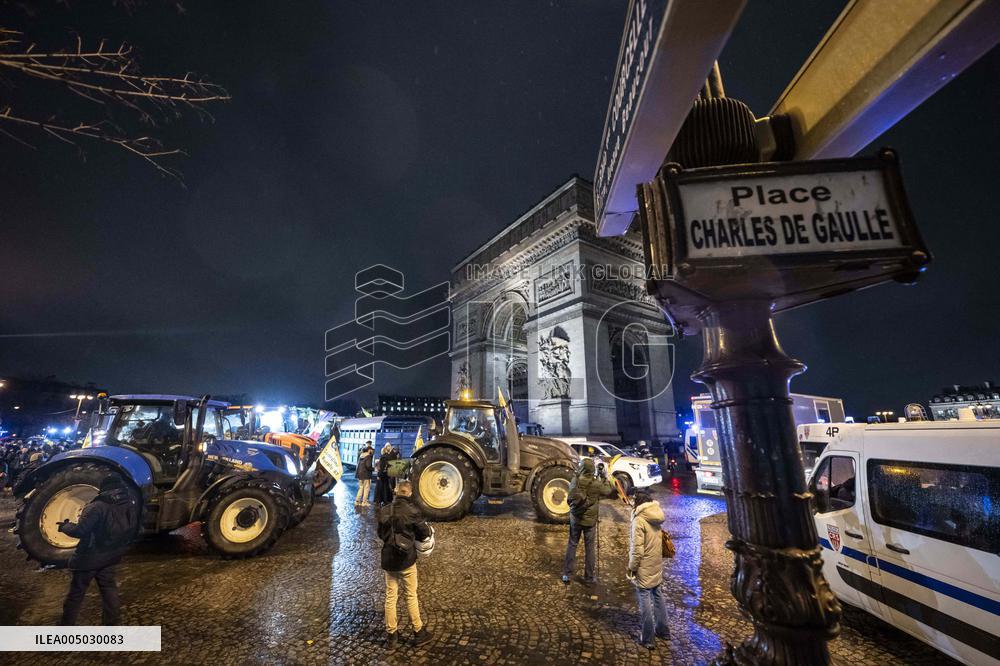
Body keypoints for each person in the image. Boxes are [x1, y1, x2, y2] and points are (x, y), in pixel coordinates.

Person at [57, 475, 138, 626]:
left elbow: (80, 530)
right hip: (111, 555)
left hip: (89, 558)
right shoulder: (129, 503)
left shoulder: (97, 506)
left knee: (76, 594)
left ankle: (65, 628)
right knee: (109, 590)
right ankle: (111, 625)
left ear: (103, 489)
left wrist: (64, 526)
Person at [377, 480, 432, 647]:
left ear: (396, 491)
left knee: (390, 597)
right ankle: (418, 632)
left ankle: (391, 636)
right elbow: (424, 534)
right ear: (409, 493)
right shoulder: (413, 511)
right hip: (407, 560)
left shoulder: (385, 510)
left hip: (388, 559)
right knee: (410, 595)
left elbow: (381, 534)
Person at [627, 488, 669, 649]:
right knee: (658, 594)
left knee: (644, 598)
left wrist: (632, 568)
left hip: (644, 566)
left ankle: (648, 638)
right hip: (656, 562)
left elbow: (637, 550)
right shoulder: (656, 514)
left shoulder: (639, 520)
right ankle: (663, 631)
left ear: (638, 502)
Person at [562, 457, 613, 584]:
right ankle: (589, 577)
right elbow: (608, 490)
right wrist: (604, 477)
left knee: (572, 544)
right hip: (590, 522)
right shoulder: (596, 483)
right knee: (590, 548)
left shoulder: (575, 480)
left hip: (575, 519)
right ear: (592, 469)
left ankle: (567, 574)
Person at [355, 441, 375, 507]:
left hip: (360, 475)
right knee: (366, 488)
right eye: (370, 450)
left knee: (360, 488)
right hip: (366, 475)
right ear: (368, 450)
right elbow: (368, 466)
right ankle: (364, 502)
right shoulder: (368, 456)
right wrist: (373, 469)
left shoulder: (361, 456)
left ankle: (357, 501)